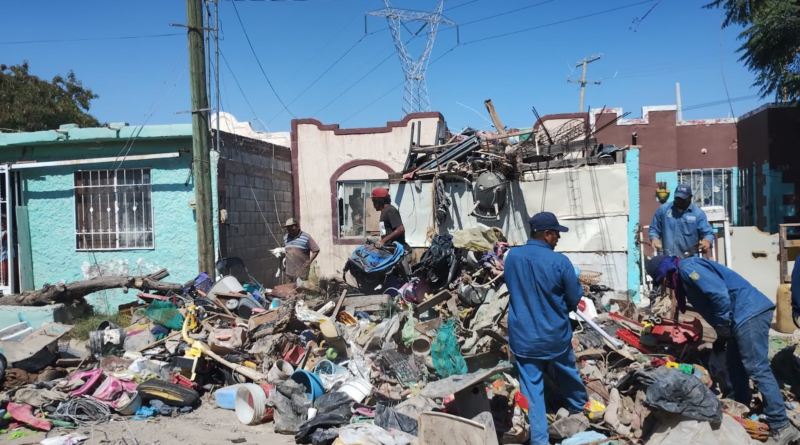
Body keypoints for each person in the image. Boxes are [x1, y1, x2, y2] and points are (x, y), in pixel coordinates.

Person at [647, 254, 800, 445]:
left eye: (662, 280)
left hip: (748, 313)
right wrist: (722, 336)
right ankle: (740, 408)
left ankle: (781, 424)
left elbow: (719, 294)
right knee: (734, 366)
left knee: (757, 368)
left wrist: (721, 326)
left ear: (664, 273)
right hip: (739, 318)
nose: (666, 285)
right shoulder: (683, 273)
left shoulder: (688, 269)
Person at [505, 212, 587, 445]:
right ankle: (580, 409)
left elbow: (512, 286)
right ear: (546, 234)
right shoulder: (559, 261)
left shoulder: (513, 257)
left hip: (524, 336)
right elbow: (573, 297)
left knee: (532, 389)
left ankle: (539, 440)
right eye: (556, 234)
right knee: (568, 371)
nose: (558, 238)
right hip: (555, 335)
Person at [649, 183, 714, 257]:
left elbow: (708, 233)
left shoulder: (698, 214)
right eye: (677, 198)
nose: (679, 201)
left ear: (690, 197)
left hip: (689, 260)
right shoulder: (663, 210)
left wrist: (706, 242)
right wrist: (654, 239)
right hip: (667, 260)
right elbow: (654, 229)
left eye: (683, 199)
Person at [370, 188, 410, 254]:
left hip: (400, 252)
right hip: (391, 251)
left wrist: (383, 241)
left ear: (379, 201)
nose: (373, 205)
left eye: (374, 202)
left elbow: (400, 229)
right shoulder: (384, 212)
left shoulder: (390, 210)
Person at [282, 218, 320, 283]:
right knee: (289, 291)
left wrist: (309, 262)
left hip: (301, 273)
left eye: (292, 229)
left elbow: (316, 250)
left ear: (297, 226)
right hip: (289, 273)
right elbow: (284, 250)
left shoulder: (306, 237)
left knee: (301, 291)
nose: (290, 231)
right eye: (288, 229)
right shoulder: (286, 238)